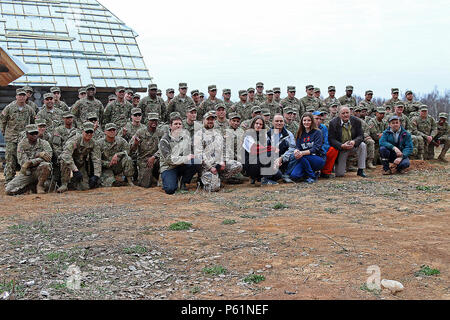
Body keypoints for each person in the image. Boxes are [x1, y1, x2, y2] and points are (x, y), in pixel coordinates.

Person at [194, 111, 242, 191]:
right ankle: (205, 178)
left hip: (219, 164)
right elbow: (199, 155)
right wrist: (210, 168)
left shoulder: (217, 134)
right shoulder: (198, 135)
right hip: (207, 167)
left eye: (212, 119)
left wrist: (224, 161)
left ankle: (218, 177)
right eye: (208, 119)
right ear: (203, 120)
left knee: (237, 165)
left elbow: (225, 149)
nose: (210, 121)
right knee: (214, 188)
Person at [159, 115, 201, 194]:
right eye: (175, 124)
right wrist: (186, 158)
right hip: (169, 167)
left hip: (181, 165)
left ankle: (183, 181)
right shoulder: (164, 140)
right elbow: (169, 160)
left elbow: (190, 152)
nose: (178, 126)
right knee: (170, 189)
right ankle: (166, 179)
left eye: (180, 124)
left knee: (196, 161)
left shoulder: (185, 137)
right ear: (170, 126)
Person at [1, 88, 36, 184]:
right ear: (16, 96)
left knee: (23, 158)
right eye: (19, 95)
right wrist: (4, 132)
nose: (21, 97)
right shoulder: (9, 107)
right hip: (11, 137)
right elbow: (3, 120)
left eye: (23, 95)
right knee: (10, 158)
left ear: (26, 97)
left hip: (24, 138)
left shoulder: (29, 109)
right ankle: (9, 179)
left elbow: (33, 122)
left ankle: (22, 179)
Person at [5, 124, 53, 195]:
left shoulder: (44, 143)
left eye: (36, 133)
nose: (34, 135)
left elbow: (48, 158)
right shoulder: (22, 145)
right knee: (9, 190)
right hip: (27, 172)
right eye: (32, 133)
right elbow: (23, 162)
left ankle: (40, 185)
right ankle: (30, 187)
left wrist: (31, 162)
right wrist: (38, 155)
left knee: (46, 165)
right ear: (27, 134)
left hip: (40, 171)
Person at [57, 122, 101, 193]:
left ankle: (73, 184)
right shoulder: (74, 140)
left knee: (85, 187)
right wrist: (75, 170)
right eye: (87, 132)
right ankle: (64, 184)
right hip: (69, 163)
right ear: (83, 132)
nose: (89, 134)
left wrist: (96, 175)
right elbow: (66, 155)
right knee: (64, 161)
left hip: (80, 163)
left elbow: (97, 159)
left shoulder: (93, 143)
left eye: (91, 132)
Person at [327, 105, 367, 178]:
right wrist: (341, 145)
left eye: (347, 112)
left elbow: (361, 136)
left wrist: (354, 141)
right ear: (339, 114)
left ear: (350, 113)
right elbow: (331, 139)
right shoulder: (333, 123)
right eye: (343, 113)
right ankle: (338, 167)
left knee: (363, 145)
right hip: (342, 148)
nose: (345, 115)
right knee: (340, 174)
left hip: (353, 145)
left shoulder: (357, 121)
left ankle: (361, 169)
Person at [242, 116, 281, 185]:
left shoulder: (264, 135)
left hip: (261, 162)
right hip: (251, 165)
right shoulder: (248, 135)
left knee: (278, 175)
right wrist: (271, 148)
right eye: (257, 123)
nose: (258, 125)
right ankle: (262, 179)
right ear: (253, 124)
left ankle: (259, 177)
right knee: (269, 153)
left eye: (260, 124)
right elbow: (254, 150)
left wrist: (275, 162)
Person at [287, 113, 325, 183]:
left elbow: (316, 148)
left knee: (302, 156)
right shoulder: (300, 133)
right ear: (302, 121)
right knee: (294, 176)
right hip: (303, 159)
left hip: (317, 159)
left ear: (312, 121)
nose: (306, 122)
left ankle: (312, 176)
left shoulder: (317, 132)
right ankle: (312, 173)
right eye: (304, 120)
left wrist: (302, 153)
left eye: (309, 120)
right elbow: (298, 146)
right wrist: (296, 151)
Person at [129, 113, 163, 188]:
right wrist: (135, 144)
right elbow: (131, 150)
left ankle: (160, 179)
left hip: (157, 158)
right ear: (147, 121)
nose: (154, 122)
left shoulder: (161, 132)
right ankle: (149, 176)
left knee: (163, 164)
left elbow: (164, 148)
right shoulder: (140, 132)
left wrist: (154, 157)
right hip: (144, 159)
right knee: (145, 185)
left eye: (156, 120)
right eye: (152, 120)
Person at [267, 114, 296, 183]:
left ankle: (286, 174)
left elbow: (292, 148)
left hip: (285, 158)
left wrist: (282, 158)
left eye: (281, 121)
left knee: (295, 154)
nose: (279, 123)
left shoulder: (289, 134)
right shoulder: (267, 134)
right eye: (277, 121)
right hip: (273, 160)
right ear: (273, 122)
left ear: (284, 122)